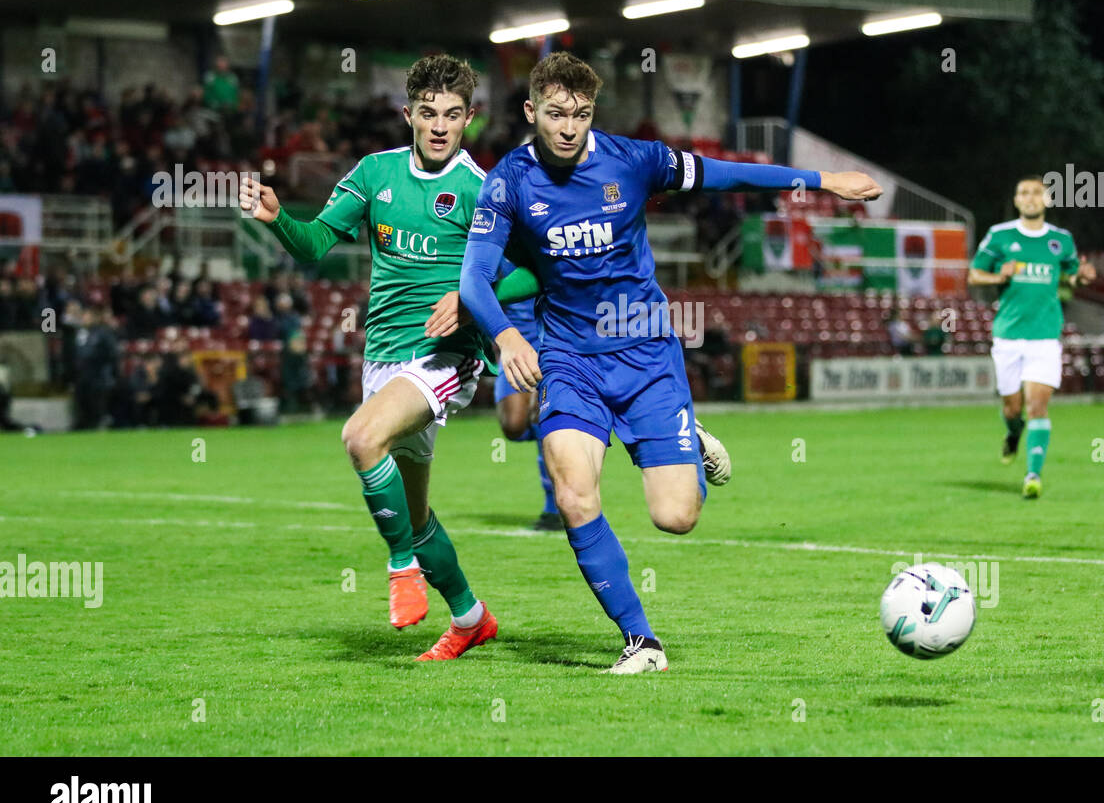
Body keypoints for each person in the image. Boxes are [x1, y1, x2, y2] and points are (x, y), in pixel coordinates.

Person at [459, 51, 882, 673]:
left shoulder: (633, 161)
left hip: (646, 353)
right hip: (571, 357)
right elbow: (475, 278)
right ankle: (642, 641)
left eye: (579, 114)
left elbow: (723, 173)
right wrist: (505, 336)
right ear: (531, 112)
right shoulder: (508, 180)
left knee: (675, 517)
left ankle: (688, 436)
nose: (569, 127)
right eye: (555, 114)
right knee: (575, 496)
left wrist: (821, 181)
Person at [241, 54, 519, 661]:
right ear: (409, 116)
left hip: (446, 358)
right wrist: (277, 218)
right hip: (384, 360)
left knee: (361, 439)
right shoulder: (375, 174)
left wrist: (471, 302)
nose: (440, 126)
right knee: (416, 514)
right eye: (428, 114)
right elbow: (314, 244)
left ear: (469, 118)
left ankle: (400, 567)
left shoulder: (484, 189)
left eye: (453, 115)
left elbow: (529, 273)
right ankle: (471, 617)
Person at [968, 175, 1096, 498]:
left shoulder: (1061, 240)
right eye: (1023, 192)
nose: (1030, 198)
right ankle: (1013, 433)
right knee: (1012, 408)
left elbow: (1070, 279)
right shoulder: (1000, 236)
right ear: (1016, 200)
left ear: (1047, 199)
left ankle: (1032, 475)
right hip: (1008, 336)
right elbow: (973, 274)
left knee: (1037, 407)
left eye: (1036, 192)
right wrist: (1000, 274)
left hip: (1045, 336)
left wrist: (1081, 279)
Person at [492, 260, 562, 531]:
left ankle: (553, 508)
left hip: (553, 343)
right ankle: (557, 437)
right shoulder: (495, 243)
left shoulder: (546, 238)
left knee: (544, 416)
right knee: (513, 426)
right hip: (515, 347)